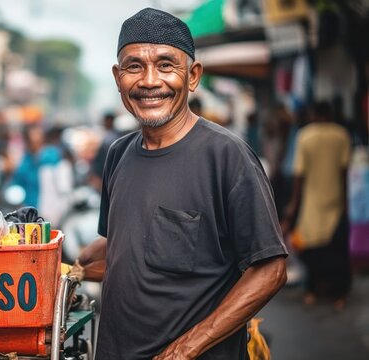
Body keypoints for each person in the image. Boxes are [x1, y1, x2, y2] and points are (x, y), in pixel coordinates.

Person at [75, 9, 287, 359]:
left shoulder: (226, 156)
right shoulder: (118, 153)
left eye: (166, 65)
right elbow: (122, 242)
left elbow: (270, 269)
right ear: (117, 77)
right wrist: (67, 265)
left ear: (192, 76)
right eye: (133, 66)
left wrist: (185, 350)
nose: (149, 81)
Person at [282, 101, 352, 310]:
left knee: (310, 248)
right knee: (336, 250)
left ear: (313, 114)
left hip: (311, 202)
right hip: (334, 200)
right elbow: (344, 172)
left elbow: (299, 174)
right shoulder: (341, 135)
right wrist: (346, 202)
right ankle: (338, 294)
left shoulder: (305, 136)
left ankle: (312, 290)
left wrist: (294, 204)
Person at [89, 112, 119, 192]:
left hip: (114, 170)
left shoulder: (118, 135)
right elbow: (96, 156)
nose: (107, 122)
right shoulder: (99, 135)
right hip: (102, 170)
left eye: (109, 120)